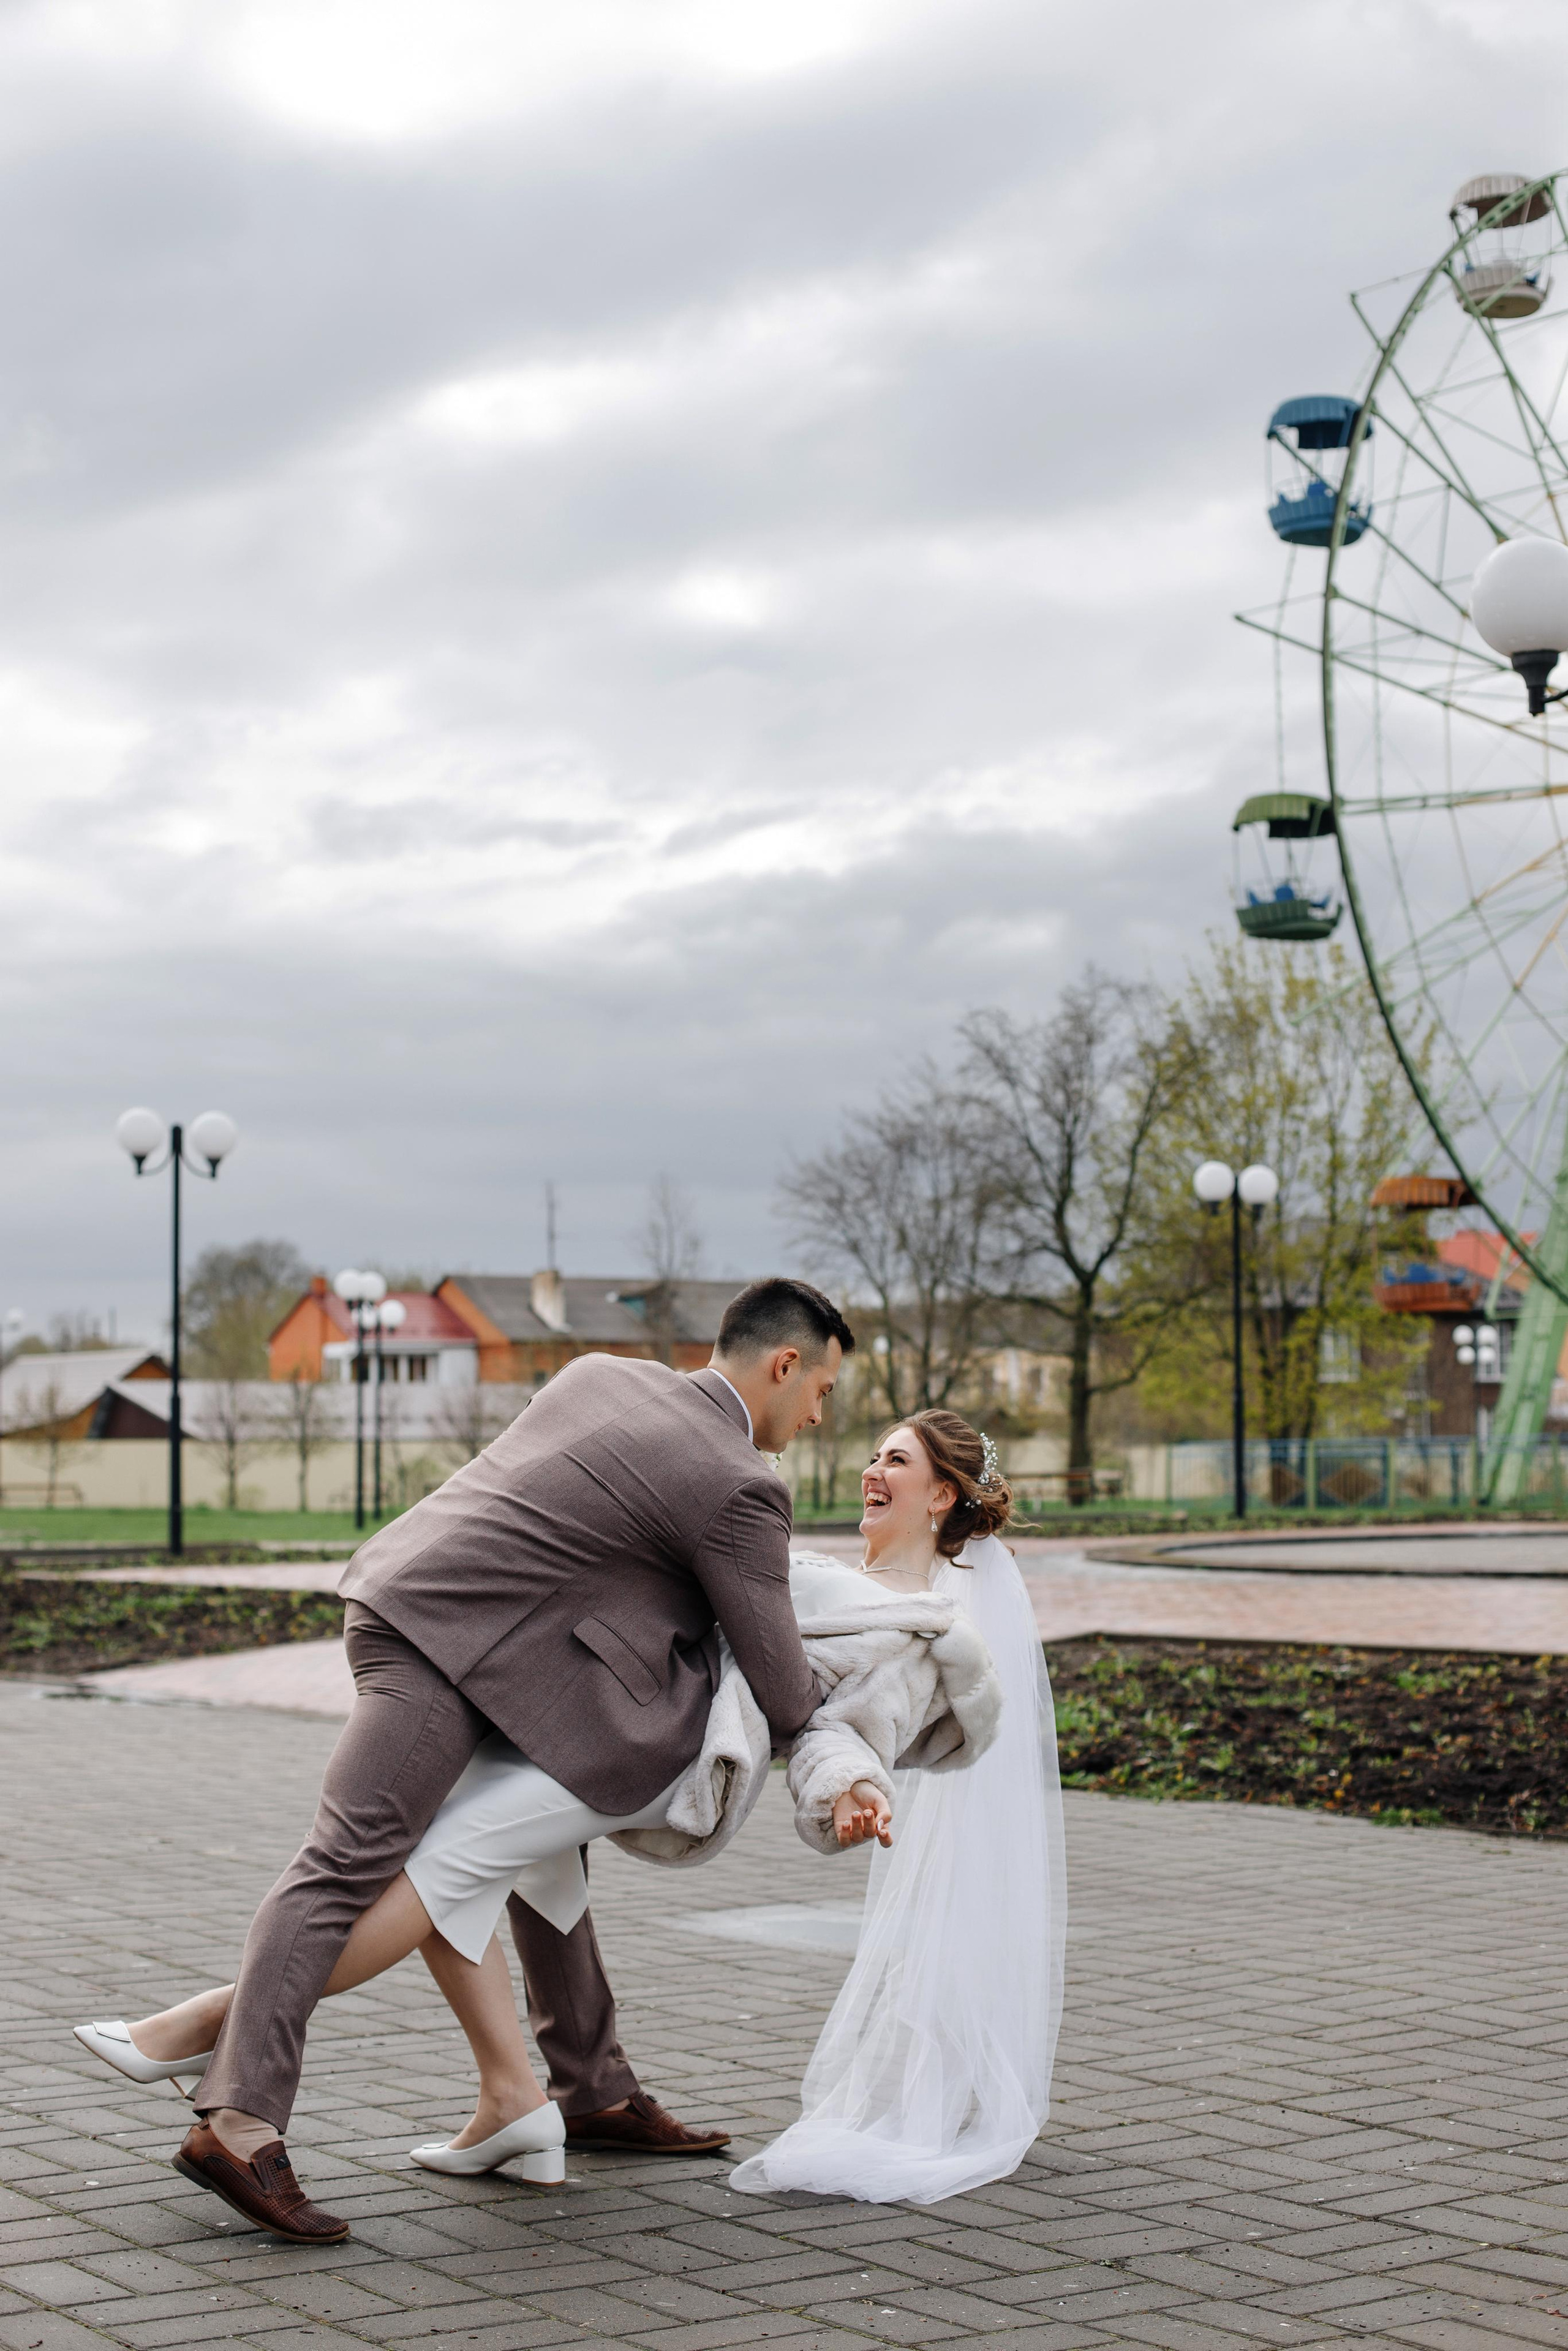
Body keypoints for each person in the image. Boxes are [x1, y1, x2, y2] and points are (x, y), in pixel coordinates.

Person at [75, 1277, 855, 2245]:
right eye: (823, 1387)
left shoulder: (600, 1372)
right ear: (785, 1364)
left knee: (545, 1845)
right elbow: (785, 1688)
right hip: (445, 1647)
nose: (822, 1412)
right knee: (343, 1867)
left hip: (450, 1623)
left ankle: (591, 2085)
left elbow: (577, 1542)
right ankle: (239, 2118)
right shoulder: (737, 1481)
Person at [728, 1411, 1066, 2204]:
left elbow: (853, 1717)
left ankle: (940, 2075)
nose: (872, 1469)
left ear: (942, 1494)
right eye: (874, 1453)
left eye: (897, 1459)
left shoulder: (927, 1617)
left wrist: (854, 1782)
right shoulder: (853, 1584)